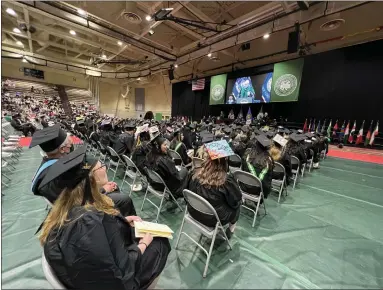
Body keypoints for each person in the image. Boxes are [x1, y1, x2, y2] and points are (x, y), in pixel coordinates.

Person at [39, 147, 171, 290]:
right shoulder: (88, 222)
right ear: (91, 179)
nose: (105, 168)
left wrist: (122, 221)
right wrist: (143, 244)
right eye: (101, 166)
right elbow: (121, 272)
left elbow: (99, 245)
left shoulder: (67, 208)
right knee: (160, 242)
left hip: (85, 275)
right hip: (117, 283)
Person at [30, 125, 136, 216]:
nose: (71, 146)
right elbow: (76, 201)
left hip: (66, 204)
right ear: (62, 149)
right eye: (68, 144)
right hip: (77, 211)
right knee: (124, 199)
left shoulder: (46, 166)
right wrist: (103, 190)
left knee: (112, 188)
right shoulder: (62, 174)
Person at [187, 140, 242, 239]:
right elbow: (235, 200)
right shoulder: (226, 180)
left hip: (194, 211)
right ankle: (231, 229)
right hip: (214, 219)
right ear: (225, 160)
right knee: (238, 205)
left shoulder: (197, 173)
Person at [145, 127, 188, 199]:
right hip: (166, 187)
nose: (167, 147)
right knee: (185, 170)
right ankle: (180, 192)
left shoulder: (149, 155)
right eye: (165, 145)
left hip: (155, 183)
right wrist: (175, 169)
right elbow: (176, 177)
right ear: (158, 146)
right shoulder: (164, 160)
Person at [242, 134, 274, 199]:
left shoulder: (247, 154)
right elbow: (268, 180)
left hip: (243, 186)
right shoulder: (268, 160)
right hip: (258, 190)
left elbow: (243, 170)